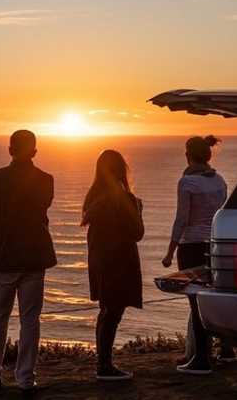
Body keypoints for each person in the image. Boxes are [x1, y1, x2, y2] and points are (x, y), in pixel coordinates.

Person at [0, 129, 57, 394]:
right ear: (34, 151)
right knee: (30, 320)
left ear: (10, 150)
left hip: (5, 257)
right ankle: (26, 378)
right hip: (35, 256)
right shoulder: (45, 180)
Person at [161, 135, 236, 375]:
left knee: (196, 302)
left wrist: (170, 251)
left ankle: (201, 358)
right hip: (214, 243)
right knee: (215, 296)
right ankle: (226, 349)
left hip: (191, 245)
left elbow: (182, 218)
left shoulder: (187, 183)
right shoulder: (220, 180)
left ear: (188, 155)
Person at [82, 150, 144, 381]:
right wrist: (138, 209)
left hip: (100, 262)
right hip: (120, 262)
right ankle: (105, 366)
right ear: (121, 170)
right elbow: (137, 233)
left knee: (106, 311)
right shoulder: (124, 198)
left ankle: (103, 362)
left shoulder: (93, 198)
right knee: (113, 313)